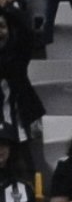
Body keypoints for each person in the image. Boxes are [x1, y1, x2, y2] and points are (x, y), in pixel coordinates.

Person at [0, 9, 45, 159]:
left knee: (24, 173)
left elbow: (27, 31)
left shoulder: (18, 58)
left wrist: (5, 7)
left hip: (18, 126)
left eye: (1, 26)